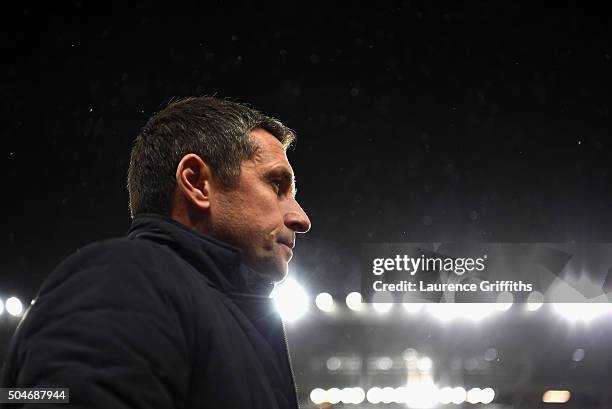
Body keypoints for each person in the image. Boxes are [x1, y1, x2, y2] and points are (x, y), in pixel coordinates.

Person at [1, 96, 311, 408]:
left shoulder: (219, 314)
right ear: (197, 183)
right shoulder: (125, 280)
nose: (302, 219)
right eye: (276, 185)